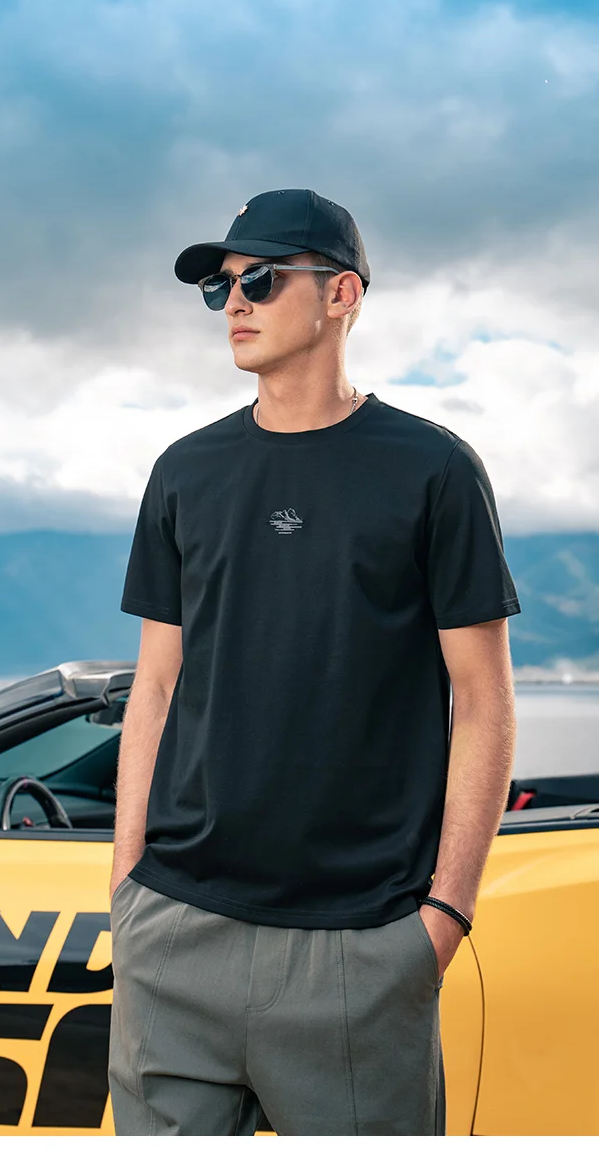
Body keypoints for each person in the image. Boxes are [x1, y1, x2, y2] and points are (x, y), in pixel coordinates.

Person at [107, 188, 520, 1136]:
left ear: (342, 295)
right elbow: (156, 686)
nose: (234, 301)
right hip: (175, 931)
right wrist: (128, 882)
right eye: (220, 286)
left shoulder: (433, 470)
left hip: (360, 948)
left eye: (259, 278)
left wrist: (443, 917)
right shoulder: (185, 470)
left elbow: (483, 701)